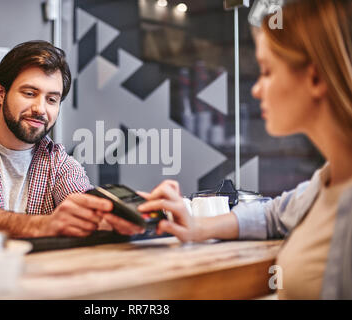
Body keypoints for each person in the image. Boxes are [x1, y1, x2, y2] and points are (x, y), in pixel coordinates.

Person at [138, 0, 352, 299]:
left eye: (266, 71)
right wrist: (197, 227)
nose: (256, 88)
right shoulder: (326, 182)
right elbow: (271, 215)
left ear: (315, 77)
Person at [0, 40, 144, 241]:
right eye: (29, 93)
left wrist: (142, 216)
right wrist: (47, 224)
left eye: (51, 99)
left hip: (41, 280)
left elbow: (87, 214)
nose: (40, 109)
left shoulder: (59, 162)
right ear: (1, 93)